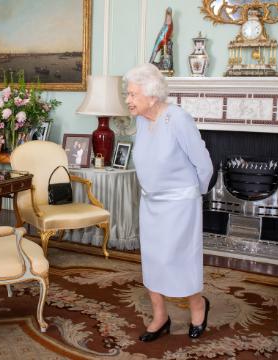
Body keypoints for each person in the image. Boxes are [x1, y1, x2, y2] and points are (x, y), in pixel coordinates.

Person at [124, 63, 213, 341]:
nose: (128, 100)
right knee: (153, 260)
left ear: (152, 96)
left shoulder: (177, 119)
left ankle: (198, 305)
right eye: (128, 94)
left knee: (179, 260)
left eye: (132, 95)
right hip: (152, 203)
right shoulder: (141, 119)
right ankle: (160, 316)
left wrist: (191, 195)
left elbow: (204, 164)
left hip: (180, 205)